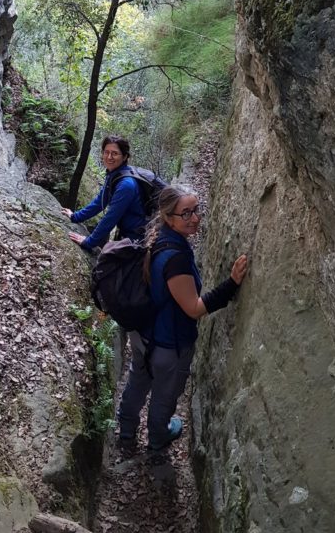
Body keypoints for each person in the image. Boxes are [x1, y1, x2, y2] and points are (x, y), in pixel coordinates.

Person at [117, 184, 248, 451]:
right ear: (168, 217)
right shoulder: (175, 258)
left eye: (196, 210)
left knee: (138, 381)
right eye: (186, 213)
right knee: (164, 396)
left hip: (143, 333)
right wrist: (232, 284)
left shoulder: (157, 238)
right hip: (168, 344)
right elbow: (194, 308)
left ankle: (127, 433)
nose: (195, 218)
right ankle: (157, 442)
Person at [62, 135, 148, 253]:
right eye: (106, 152)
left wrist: (89, 242)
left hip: (138, 239)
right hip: (128, 234)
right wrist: (75, 216)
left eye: (114, 153)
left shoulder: (126, 185)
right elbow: (99, 202)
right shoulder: (114, 175)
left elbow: (111, 217)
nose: (109, 157)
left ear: (125, 157)